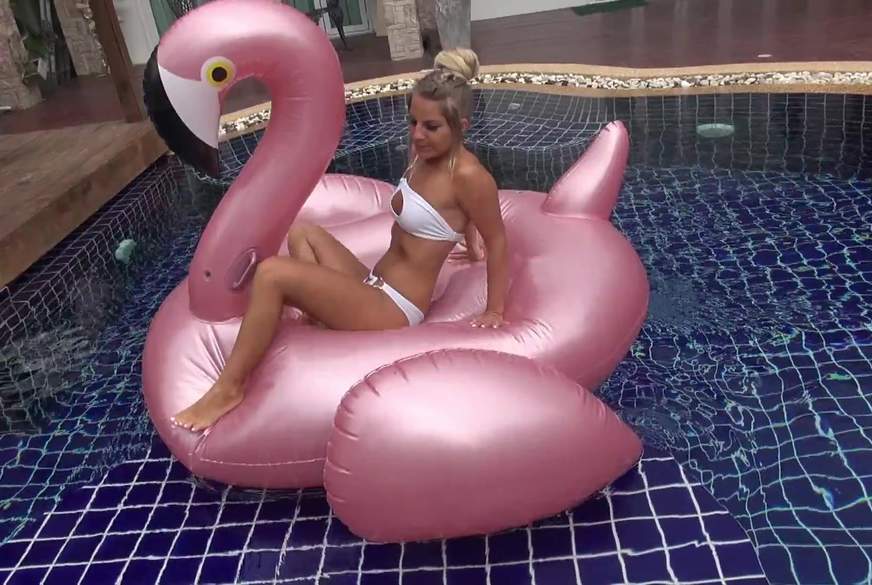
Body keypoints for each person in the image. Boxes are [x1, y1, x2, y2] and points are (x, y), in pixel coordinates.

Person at [171, 48, 509, 432]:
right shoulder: (421, 155)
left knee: (272, 273)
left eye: (431, 127)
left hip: (394, 308)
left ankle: (228, 388)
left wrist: (495, 310)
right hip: (373, 282)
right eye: (413, 122)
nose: (417, 134)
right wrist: (471, 244)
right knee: (304, 232)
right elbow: (460, 216)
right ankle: (320, 312)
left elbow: (498, 239)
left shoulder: (469, 176)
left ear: (461, 126)